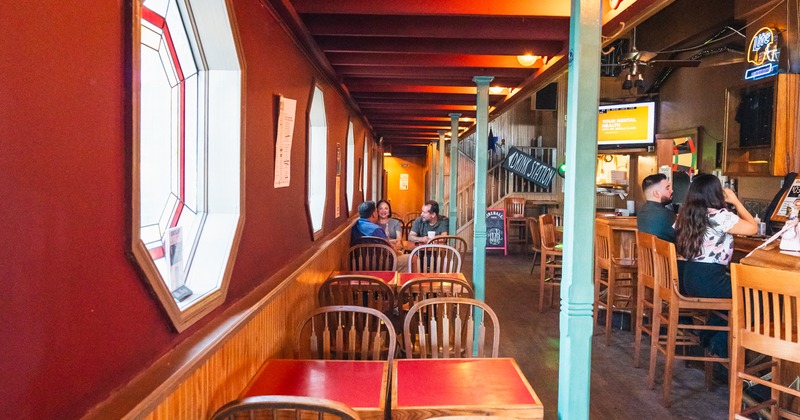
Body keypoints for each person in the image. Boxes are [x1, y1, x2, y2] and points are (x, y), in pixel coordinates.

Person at [674, 173, 757, 357]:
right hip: (709, 279)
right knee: (751, 299)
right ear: (715, 193)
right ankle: (719, 346)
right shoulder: (720, 216)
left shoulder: (685, 214)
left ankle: (707, 337)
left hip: (689, 278)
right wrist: (735, 201)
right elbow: (753, 228)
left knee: (728, 302)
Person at [637, 173, 676, 242]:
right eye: (667, 188)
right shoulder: (667, 215)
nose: (671, 191)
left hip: (649, 252)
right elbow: (683, 239)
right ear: (656, 193)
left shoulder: (641, 212)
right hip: (665, 252)